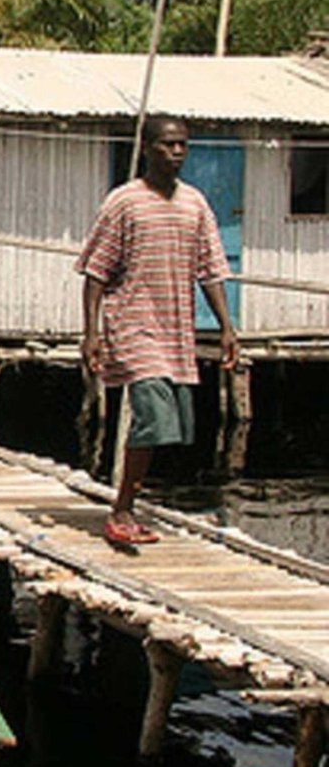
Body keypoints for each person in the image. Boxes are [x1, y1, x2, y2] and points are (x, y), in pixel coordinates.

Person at [76, 114, 239, 546]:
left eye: (183, 144)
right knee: (152, 416)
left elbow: (211, 270)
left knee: (175, 426)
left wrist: (227, 327)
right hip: (132, 323)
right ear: (147, 148)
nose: (177, 152)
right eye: (168, 144)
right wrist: (91, 333)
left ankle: (132, 500)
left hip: (175, 329)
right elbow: (96, 272)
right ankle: (122, 510)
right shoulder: (124, 202)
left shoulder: (194, 204)